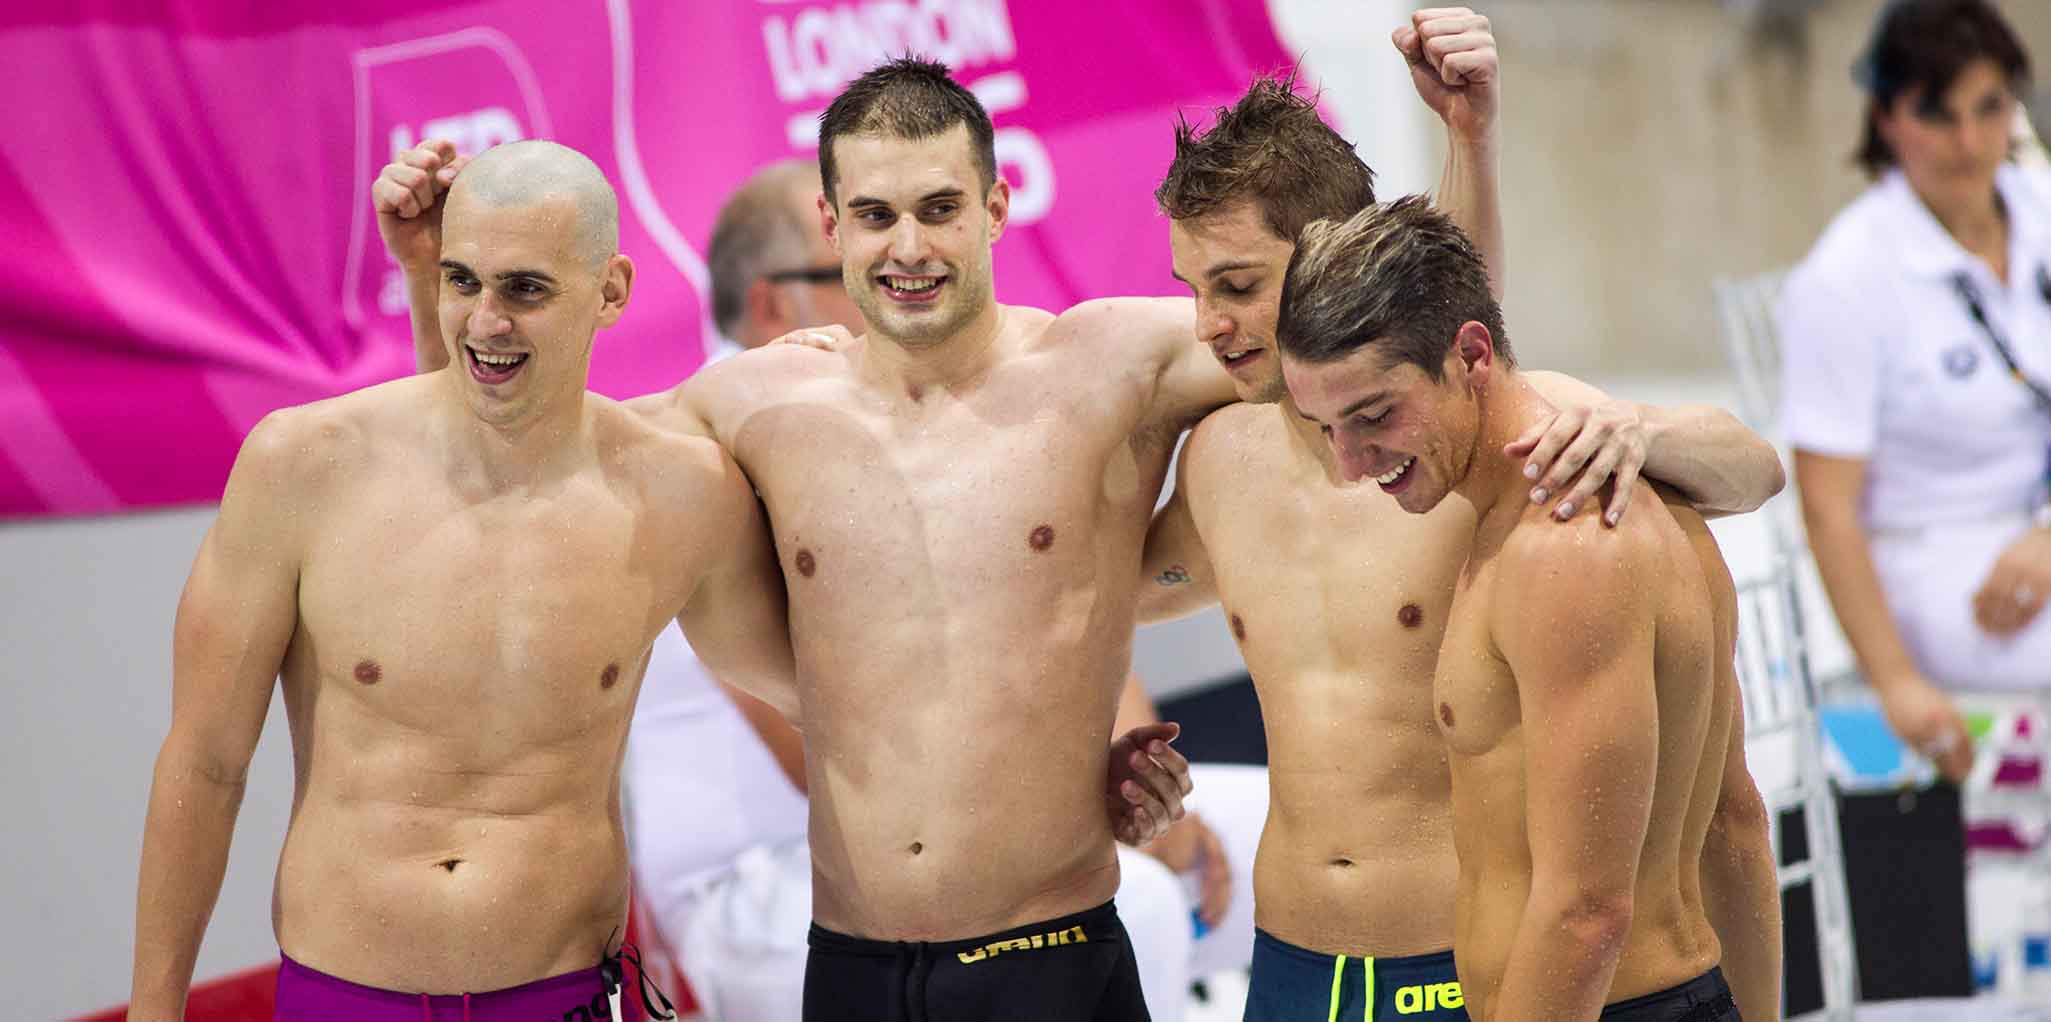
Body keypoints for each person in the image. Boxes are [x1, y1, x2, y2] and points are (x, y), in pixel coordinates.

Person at [382, 54, 1275, 1020]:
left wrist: (1113, 611)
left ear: (995, 207)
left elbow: (1319, 340)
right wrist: (431, 275)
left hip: (1049, 953)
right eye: (876, 215)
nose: (909, 248)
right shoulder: (757, 403)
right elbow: (509, 454)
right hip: (850, 967)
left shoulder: (1108, 360)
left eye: (940, 209)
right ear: (832, 221)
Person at [1141, 16, 1784, 1021]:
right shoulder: (1220, 463)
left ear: (1333, 259)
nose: (1205, 325)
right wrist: (1105, 734)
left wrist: (1642, 428)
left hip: (1466, 965)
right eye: (1190, 289)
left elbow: (1751, 466)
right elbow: (1084, 599)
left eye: (1235, 285)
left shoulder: (1502, 459)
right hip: (1290, 964)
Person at [127, 140, 801, 1022]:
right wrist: (153, 1013)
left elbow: (822, 710)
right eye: (462, 281)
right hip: (346, 995)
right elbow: (206, 764)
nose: (486, 321)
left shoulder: (680, 494)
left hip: (561, 991)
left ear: (609, 292)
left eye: (524, 289)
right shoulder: (302, 466)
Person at [623, 158, 1265, 1021]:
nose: (902, 264)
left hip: (981, 796)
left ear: (992, 212)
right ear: (777, 303)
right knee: (1139, 899)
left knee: (1277, 828)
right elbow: (839, 742)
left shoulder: (951, 389)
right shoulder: (731, 430)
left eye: (935, 214)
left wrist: (1121, 766)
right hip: (782, 864)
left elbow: (1059, 617)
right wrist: (1088, 800)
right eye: (860, 242)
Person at [1278, 196, 1751, 1022]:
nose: (1350, 463)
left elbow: (1584, 915)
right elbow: (1734, 827)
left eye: (1373, 415)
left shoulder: (1561, 549)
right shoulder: (1639, 497)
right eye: (1324, 428)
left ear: (1470, 354)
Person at [1776, 0, 2050, 994]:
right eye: (1939, 113)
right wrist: (1892, 681)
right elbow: (1825, 511)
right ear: (1886, 115)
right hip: (1933, 567)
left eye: (1989, 107)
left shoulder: (2037, 207)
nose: (1969, 142)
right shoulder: (1846, 278)